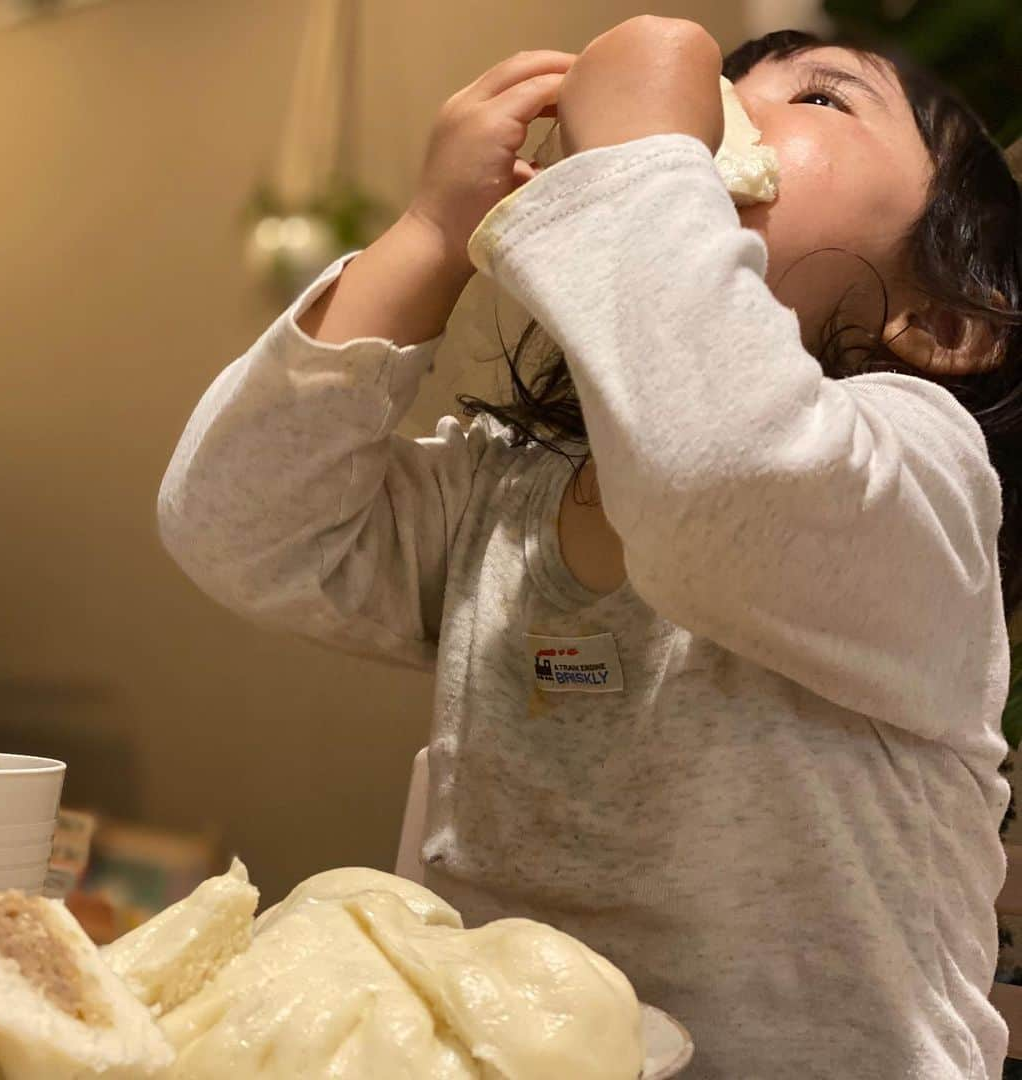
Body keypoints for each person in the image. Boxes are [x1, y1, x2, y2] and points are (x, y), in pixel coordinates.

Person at [157, 16, 1022, 1078]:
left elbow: (715, 472)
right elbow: (245, 526)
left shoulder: (914, 476)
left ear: (944, 326)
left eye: (822, 97)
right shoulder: (508, 489)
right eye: (723, 85)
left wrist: (642, 160)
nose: (721, 102)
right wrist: (430, 234)